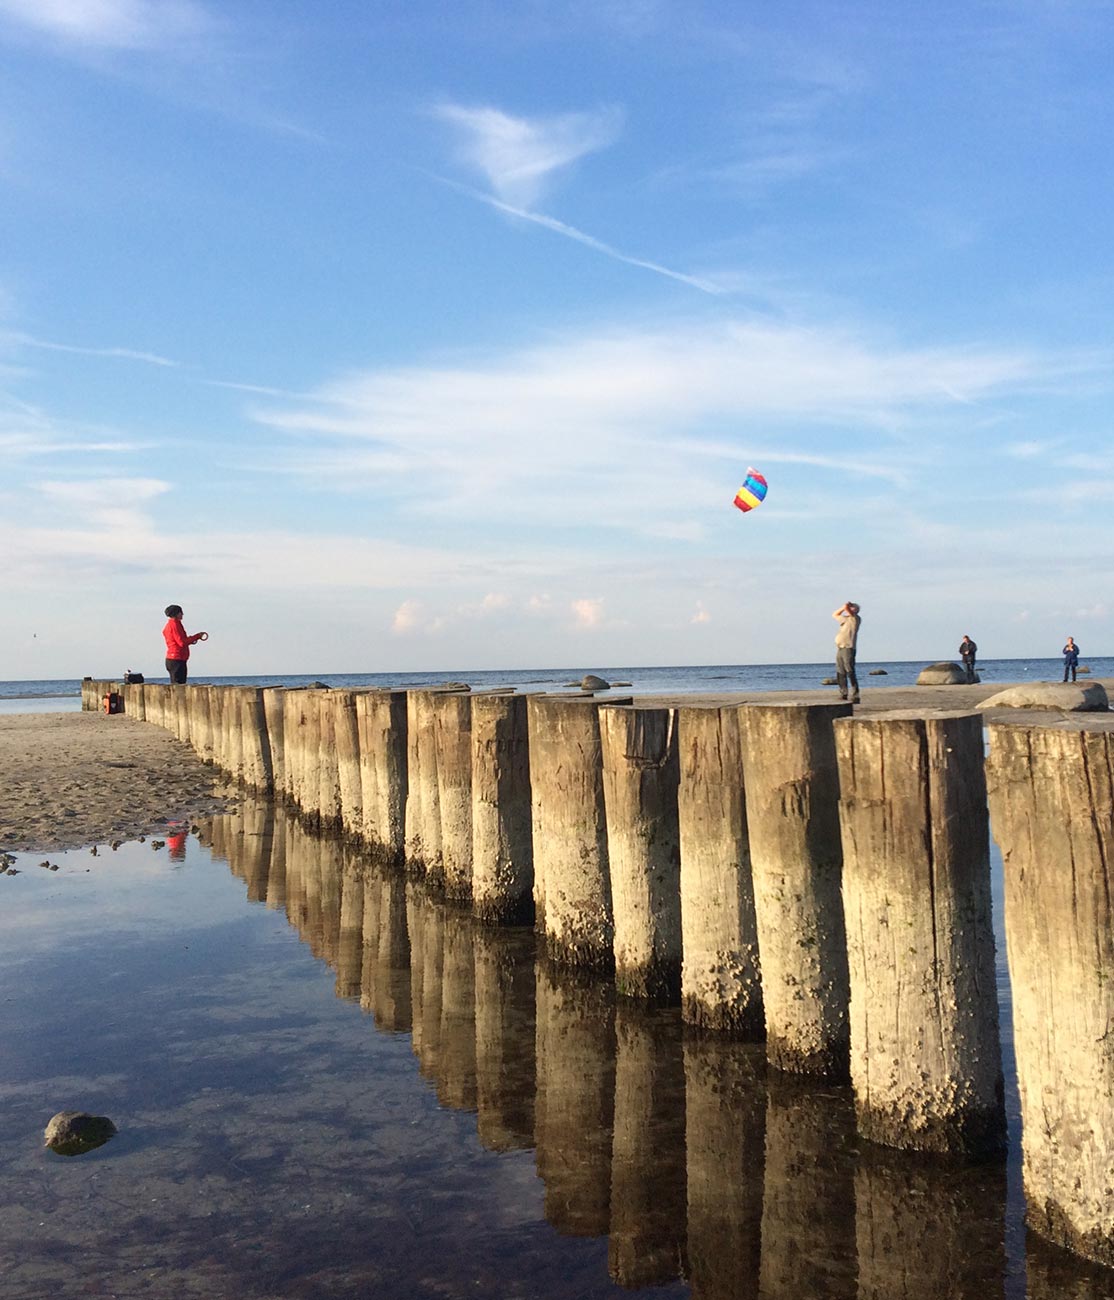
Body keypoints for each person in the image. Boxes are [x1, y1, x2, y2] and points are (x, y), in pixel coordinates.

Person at [163, 604, 208, 684]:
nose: (182, 614)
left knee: (177, 684)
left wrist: (192, 639)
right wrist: (196, 637)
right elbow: (181, 642)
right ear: (177, 614)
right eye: (181, 612)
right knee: (178, 686)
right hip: (177, 659)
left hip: (175, 658)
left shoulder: (170, 625)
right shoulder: (174, 624)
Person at [832, 601, 861, 704]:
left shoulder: (855, 619)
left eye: (853, 608)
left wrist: (847, 606)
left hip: (848, 648)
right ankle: (843, 693)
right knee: (840, 671)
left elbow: (848, 609)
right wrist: (843, 607)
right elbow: (835, 614)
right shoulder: (845, 619)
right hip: (840, 647)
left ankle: (855, 695)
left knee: (850, 670)